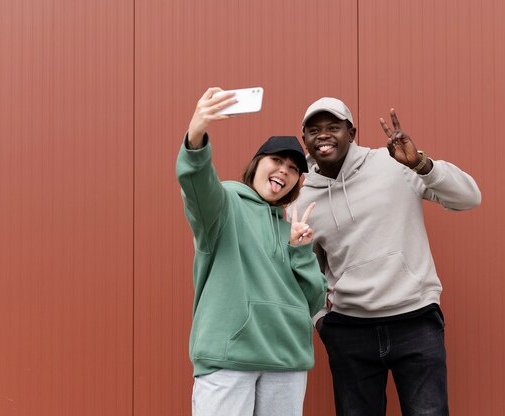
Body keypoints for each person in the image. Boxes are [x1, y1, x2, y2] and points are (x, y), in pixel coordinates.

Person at [293, 97, 482, 416]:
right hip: (349, 329)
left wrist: (421, 164)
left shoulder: (395, 163)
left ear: (351, 133)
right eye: (314, 130)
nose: (323, 135)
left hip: (415, 319)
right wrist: (319, 319)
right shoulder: (303, 197)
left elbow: (469, 198)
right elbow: (302, 269)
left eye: (333, 127)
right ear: (305, 141)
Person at [176, 88, 328, 416]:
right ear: (257, 163)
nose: (284, 171)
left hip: (286, 360)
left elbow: (314, 302)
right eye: (277, 160)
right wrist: (196, 135)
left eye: (293, 168)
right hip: (229, 357)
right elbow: (197, 186)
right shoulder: (224, 205)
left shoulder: (292, 229)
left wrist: (301, 252)